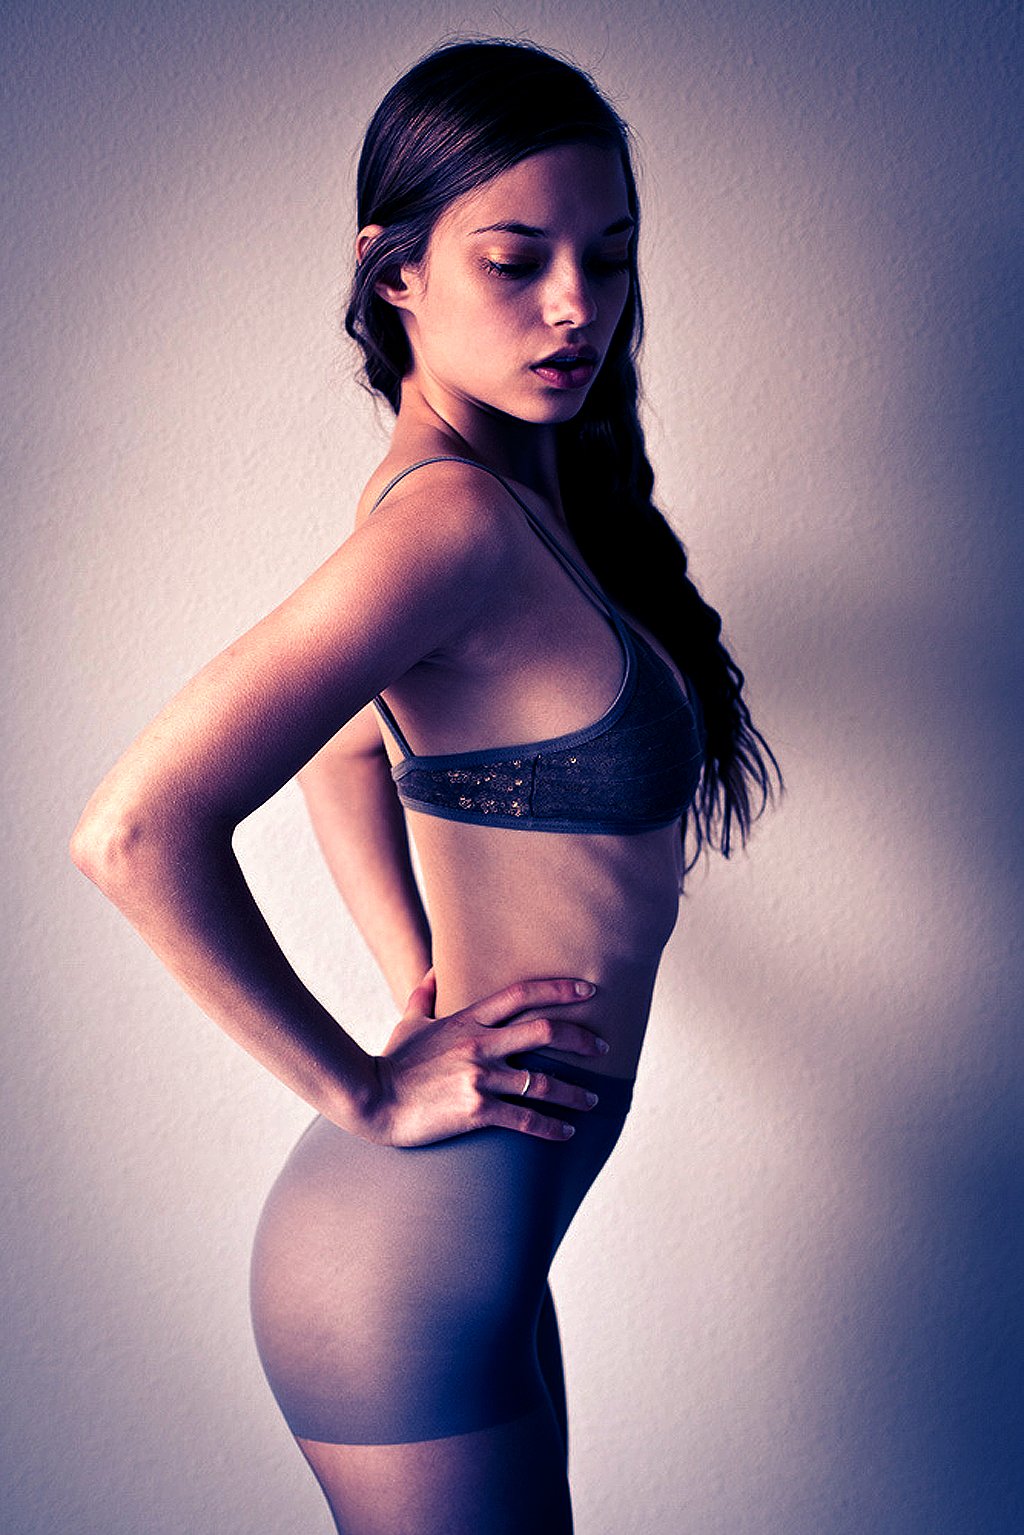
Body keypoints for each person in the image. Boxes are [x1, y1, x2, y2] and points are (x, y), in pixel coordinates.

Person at [70, 37, 779, 1535]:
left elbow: (346, 747)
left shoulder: (503, 505)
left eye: (608, 256)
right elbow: (133, 832)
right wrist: (368, 1083)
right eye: (515, 261)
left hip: (477, 1246)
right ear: (393, 272)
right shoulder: (444, 524)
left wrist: (419, 973)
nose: (577, 305)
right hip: (401, 1272)